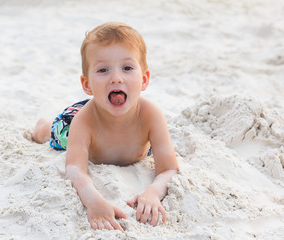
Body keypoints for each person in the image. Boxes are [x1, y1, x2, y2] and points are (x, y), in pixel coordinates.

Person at [32, 22, 179, 232]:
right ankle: (43, 127)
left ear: (144, 79)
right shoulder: (83, 122)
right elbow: (75, 168)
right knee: (55, 135)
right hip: (73, 122)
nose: (116, 78)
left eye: (127, 68)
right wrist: (93, 202)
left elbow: (169, 168)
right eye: (103, 70)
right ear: (87, 85)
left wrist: (153, 193)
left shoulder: (151, 115)